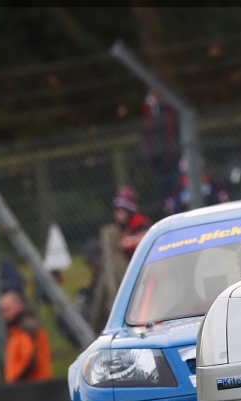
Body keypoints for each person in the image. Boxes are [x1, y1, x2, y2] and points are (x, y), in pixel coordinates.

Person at [92, 186, 152, 328]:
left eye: (122, 210)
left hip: (142, 271)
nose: (118, 214)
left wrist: (125, 242)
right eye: (117, 210)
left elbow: (142, 239)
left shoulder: (139, 222)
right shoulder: (119, 228)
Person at [0, 291, 52, 383]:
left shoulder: (26, 328)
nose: (5, 315)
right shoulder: (16, 330)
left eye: (8, 310)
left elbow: (30, 361)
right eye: (3, 311)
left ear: (19, 306)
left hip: (32, 387)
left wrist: (15, 381)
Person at [142, 89, 181, 202]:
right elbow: (145, 132)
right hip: (156, 158)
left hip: (172, 156)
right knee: (163, 190)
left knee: (175, 188)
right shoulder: (147, 109)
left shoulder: (169, 107)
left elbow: (175, 129)